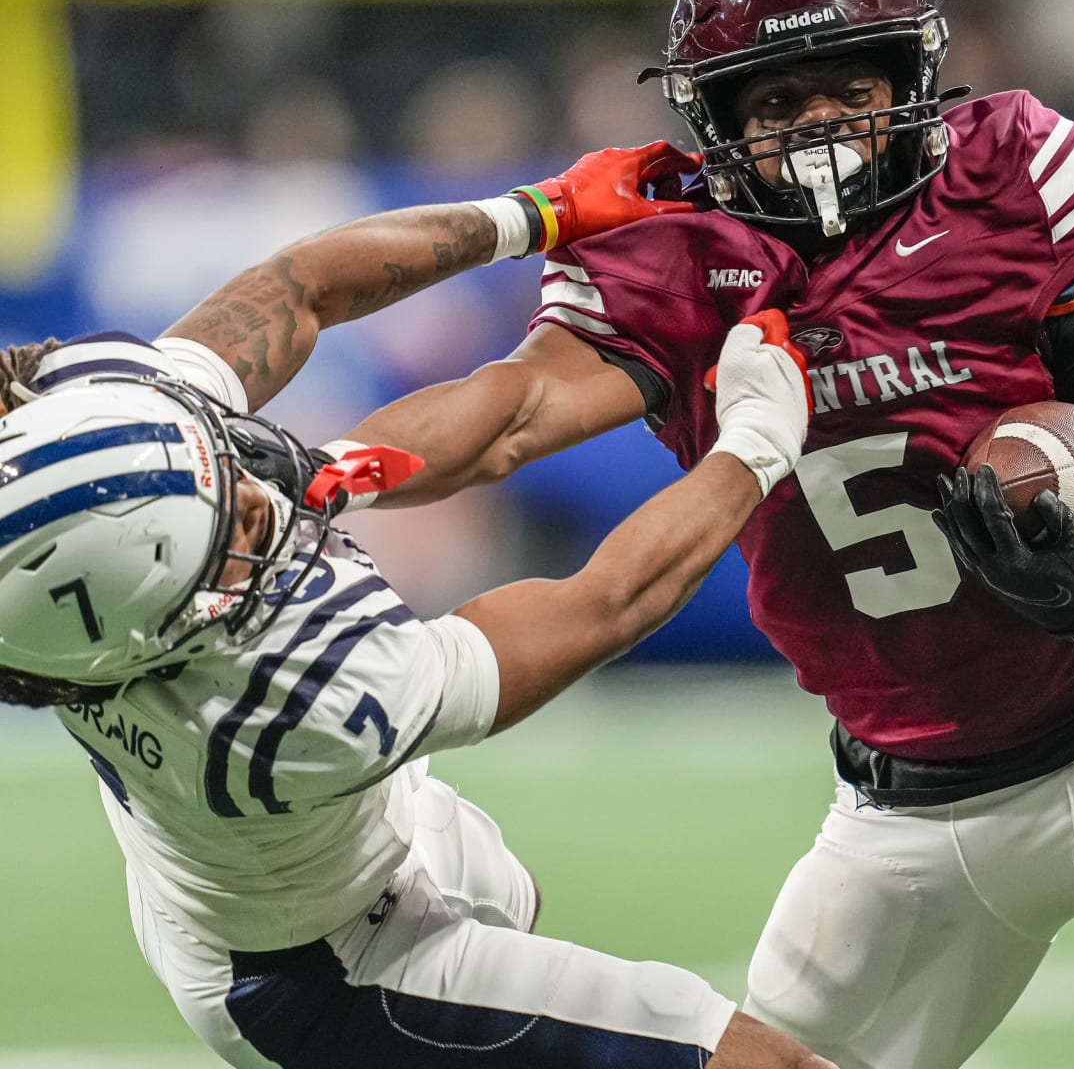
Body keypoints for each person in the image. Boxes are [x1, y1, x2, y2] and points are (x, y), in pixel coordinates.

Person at [259, 0, 1074, 1069]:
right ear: (715, 120)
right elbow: (507, 416)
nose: (818, 128)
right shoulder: (682, 255)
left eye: (846, 90)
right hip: (905, 808)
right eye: (776, 103)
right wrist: (319, 474)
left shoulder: (1013, 179)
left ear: (911, 76)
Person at [0, 306, 834, 1069]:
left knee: (506, 892)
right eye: (220, 527)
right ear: (157, 625)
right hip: (330, 969)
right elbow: (605, 602)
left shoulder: (67, 621)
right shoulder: (291, 710)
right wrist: (755, 445)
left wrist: (529, 215)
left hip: (280, 872)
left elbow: (304, 284)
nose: (253, 497)